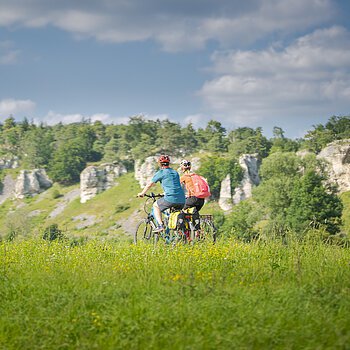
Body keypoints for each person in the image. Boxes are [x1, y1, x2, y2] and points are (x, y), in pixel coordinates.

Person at [137, 155, 185, 232]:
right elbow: (174, 185)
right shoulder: (175, 172)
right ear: (169, 163)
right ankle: (175, 235)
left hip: (170, 198)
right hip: (182, 199)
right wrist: (164, 193)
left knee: (156, 206)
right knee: (172, 216)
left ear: (160, 164)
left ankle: (160, 226)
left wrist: (142, 193)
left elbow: (150, 184)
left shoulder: (161, 172)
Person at [179, 159, 206, 231]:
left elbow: (176, 187)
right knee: (192, 213)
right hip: (201, 199)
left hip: (193, 199)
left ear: (182, 168)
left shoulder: (184, 176)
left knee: (181, 210)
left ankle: (181, 229)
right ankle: (197, 230)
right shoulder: (196, 176)